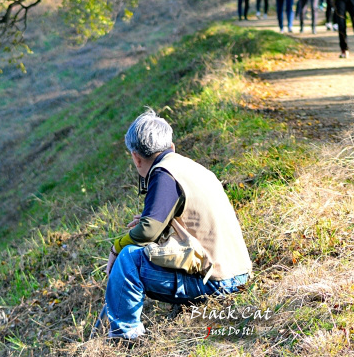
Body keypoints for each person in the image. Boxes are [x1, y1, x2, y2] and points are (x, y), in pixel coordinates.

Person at [99, 109, 252, 340]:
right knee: (134, 254)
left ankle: (124, 336)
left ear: (136, 157)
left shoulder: (163, 174)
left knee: (128, 257)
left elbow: (147, 231)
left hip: (219, 281)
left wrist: (116, 247)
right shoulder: (191, 167)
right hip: (239, 273)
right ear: (172, 146)